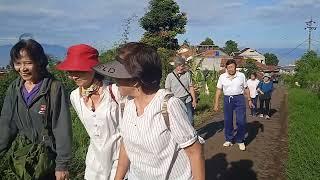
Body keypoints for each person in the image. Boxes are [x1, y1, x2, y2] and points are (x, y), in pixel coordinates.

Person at [93, 42, 205, 180]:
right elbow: (126, 144)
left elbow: (195, 151)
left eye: (119, 76)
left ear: (135, 81)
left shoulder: (168, 105)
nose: (115, 81)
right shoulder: (127, 104)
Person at [0, 39, 72, 180]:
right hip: (24, 157)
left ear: (39, 62)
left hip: (48, 159)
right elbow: (6, 124)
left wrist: (62, 165)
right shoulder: (14, 88)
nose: (23, 68)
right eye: (18, 63)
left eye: (28, 63)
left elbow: (62, 127)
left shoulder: (53, 88)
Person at [56, 44, 122, 180]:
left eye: (79, 70)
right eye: (69, 71)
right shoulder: (75, 97)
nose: (73, 76)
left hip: (120, 162)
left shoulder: (114, 91)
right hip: (94, 165)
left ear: (93, 68)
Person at [213, 59, 253, 151]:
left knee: (241, 120)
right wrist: (216, 103)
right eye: (229, 67)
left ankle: (240, 140)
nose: (231, 69)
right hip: (228, 99)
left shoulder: (241, 75)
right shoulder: (222, 77)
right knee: (228, 120)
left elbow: (246, 88)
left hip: (239, 98)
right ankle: (229, 139)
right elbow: (219, 90)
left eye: (233, 67)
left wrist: (249, 99)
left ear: (235, 67)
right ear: (226, 68)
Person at [165, 56, 197, 125]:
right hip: (177, 101)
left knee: (190, 120)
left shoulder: (187, 74)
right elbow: (167, 90)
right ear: (175, 66)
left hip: (187, 99)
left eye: (182, 66)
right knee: (180, 122)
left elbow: (191, 87)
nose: (181, 68)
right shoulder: (170, 76)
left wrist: (194, 100)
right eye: (179, 66)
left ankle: (192, 135)